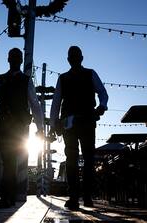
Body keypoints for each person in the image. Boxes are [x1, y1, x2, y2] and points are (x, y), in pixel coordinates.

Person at [0, 48, 44, 208]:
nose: (14, 61)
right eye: (14, 58)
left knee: (9, 161)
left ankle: (7, 196)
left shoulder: (8, 80)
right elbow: (34, 104)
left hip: (15, 128)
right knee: (9, 161)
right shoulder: (13, 80)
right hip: (10, 127)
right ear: (15, 60)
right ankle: (9, 196)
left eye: (15, 58)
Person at [50, 46, 108, 210]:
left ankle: (77, 196)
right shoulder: (89, 74)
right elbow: (103, 93)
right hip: (81, 121)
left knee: (75, 158)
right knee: (85, 158)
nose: (74, 59)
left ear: (70, 59)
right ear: (80, 58)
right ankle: (84, 196)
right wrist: (102, 106)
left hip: (75, 121)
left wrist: (54, 123)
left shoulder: (65, 78)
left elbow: (56, 103)